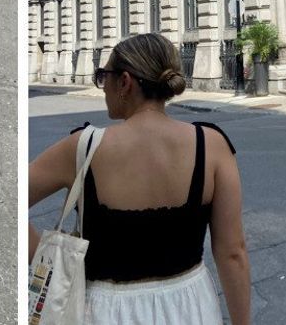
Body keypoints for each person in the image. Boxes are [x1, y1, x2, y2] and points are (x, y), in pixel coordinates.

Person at [28, 33, 251, 324]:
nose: (102, 86)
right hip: (191, 305)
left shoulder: (82, 148)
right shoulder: (212, 145)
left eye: (102, 75)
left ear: (124, 82)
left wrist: (43, 256)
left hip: (104, 311)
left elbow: (6, 199)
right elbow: (232, 253)